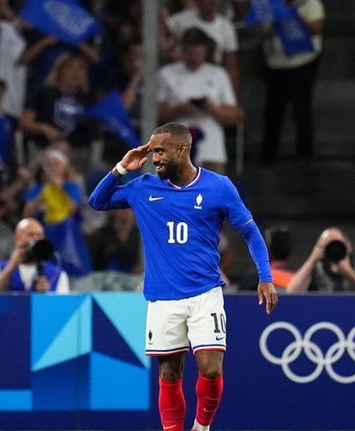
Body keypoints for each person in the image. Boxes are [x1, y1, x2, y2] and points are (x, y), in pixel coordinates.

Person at [88, 122, 277, 431]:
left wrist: (265, 276)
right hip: (163, 298)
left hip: (205, 294)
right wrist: (123, 166)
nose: (155, 158)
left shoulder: (218, 187)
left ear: (182, 149)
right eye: (152, 152)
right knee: (169, 373)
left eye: (160, 151)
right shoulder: (143, 187)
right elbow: (97, 201)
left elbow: (250, 232)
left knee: (211, 369)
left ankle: (201, 428)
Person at [157, 28, 242, 174]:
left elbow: (235, 114)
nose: (194, 57)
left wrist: (212, 108)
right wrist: (177, 110)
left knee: (212, 194)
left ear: (206, 51)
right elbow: (155, 113)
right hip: (176, 149)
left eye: (198, 53)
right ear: (183, 51)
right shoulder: (166, 74)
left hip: (212, 148)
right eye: (190, 53)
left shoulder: (218, 74)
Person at [258, 0, 324, 166]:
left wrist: (292, 14)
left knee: (301, 108)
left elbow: (316, 28)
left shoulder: (310, 3)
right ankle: (268, 154)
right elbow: (260, 31)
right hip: (275, 63)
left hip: (303, 62)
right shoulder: (267, 5)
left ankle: (305, 153)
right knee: (273, 110)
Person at [22, 149, 91, 277]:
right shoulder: (37, 189)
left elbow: (72, 209)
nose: (52, 168)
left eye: (56, 164)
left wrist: (60, 186)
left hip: (70, 241)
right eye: (49, 165)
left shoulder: (71, 187)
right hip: (46, 237)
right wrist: (44, 190)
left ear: (65, 168)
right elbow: (27, 214)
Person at [0, 218, 69, 294]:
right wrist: (11, 267)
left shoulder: (57, 274)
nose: (35, 239)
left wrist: (47, 295)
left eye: (39, 235)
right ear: (17, 239)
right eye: (30, 235)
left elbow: (65, 308)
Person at [287, 227, 355, 293]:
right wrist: (312, 260)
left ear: (348, 246)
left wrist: (349, 273)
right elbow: (292, 292)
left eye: (337, 244)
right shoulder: (315, 269)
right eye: (328, 246)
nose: (334, 249)